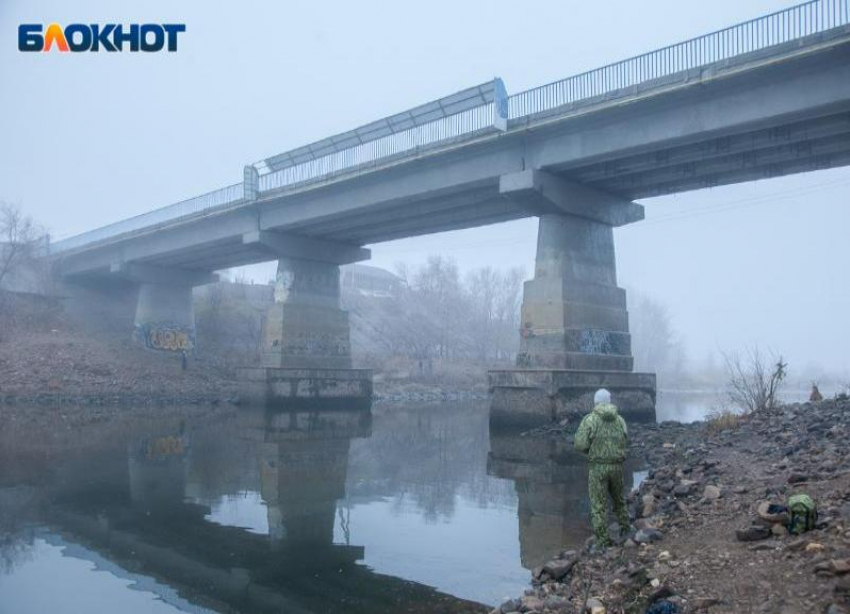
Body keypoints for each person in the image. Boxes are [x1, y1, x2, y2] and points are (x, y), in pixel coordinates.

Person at [574, 388, 630, 547]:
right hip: (617, 467)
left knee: (598, 505)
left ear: (596, 402)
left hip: (598, 468)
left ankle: (603, 541)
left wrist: (590, 452)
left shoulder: (590, 420)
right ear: (610, 401)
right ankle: (626, 530)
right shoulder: (620, 420)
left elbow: (579, 445)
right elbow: (624, 440)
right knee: (619, 500)